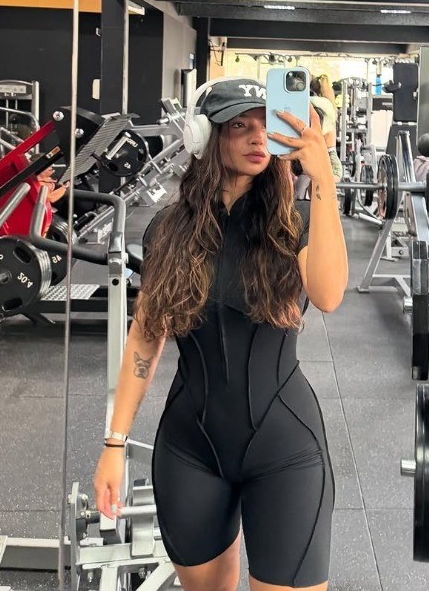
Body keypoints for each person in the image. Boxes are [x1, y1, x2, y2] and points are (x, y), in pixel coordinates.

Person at [92, 78, 348, 591]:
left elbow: (328, 294)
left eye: (266, 126)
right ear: (204, 137)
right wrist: (114, 443)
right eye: (239, 126)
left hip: (285, 448)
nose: (258, 138)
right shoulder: (168, 229)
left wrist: (322, 181)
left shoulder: (294, 222)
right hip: (191, 448)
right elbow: (146, 336)